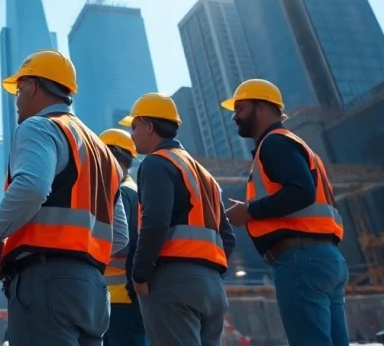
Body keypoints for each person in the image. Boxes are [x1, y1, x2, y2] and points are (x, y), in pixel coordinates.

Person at [0, 50, 127, 346]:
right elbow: (120, 236)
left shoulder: (39, 126)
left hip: (45, 283)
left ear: (32, 87)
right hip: (94, 288)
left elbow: (32, 188)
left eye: (19, 91)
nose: (17, 101)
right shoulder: (104, 154)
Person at [221, 79, 347, 346]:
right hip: (325, 257)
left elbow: (301, 191)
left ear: (262, 108)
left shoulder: (275, 143)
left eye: (240, 109)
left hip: (301, 258)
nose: (235, 117)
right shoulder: (292, 144)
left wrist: (250, 211)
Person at [124, 93, 235, 346]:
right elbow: (227, 237)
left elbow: (155, 222)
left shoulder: (155, 163)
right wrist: (211, 273)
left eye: (134, 126)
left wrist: (139, 274)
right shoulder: (203, 173)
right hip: (212, 286)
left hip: (172, 282)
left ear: (149, 126)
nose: (131, 134)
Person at [99, 129, 147, 346]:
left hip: (121, 297)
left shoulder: (122, 193)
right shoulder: (131, 191)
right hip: (119, 297)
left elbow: (127, 241)